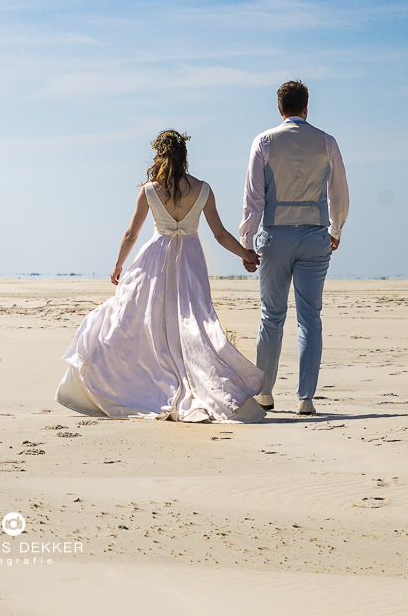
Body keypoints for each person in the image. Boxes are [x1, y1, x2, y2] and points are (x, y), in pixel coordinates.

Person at [56, 130, 269, 422]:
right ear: (185, 156)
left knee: (143, 320)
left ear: (159, 155)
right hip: (190, 261)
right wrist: (245, 254)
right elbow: (219, 234)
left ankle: (141, 379)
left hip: (155, 258)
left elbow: (132, 233)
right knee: (191, 322)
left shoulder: (149, 190)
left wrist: (118, 264)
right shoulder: (203, 189)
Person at [240, 80, 349, 417]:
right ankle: (305, 398)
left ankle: (266, 393)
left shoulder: (263, 141)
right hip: (314, 236)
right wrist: (336, 228)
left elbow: (253, 199)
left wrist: (246, 241)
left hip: (275, 235)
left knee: (271, 317)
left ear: (279, 109)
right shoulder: (327, 142)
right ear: (306, 107)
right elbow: (339, 192)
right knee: (309, 318)